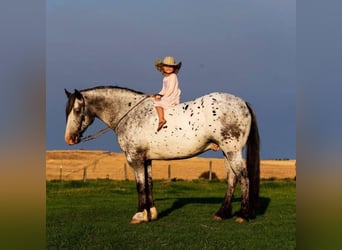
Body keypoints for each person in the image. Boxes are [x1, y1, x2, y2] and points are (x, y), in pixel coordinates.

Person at [151, 56, 182, 131]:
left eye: (171, 66)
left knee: (157, 103)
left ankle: (162, 119)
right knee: (152, 99)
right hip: (167, 95)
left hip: (171, 97)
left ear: (174, 68)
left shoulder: (173, 76)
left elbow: (171, 90)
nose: (168, 68)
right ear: (163, 67)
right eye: (166, 66)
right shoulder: (165, 78)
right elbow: (163, 90)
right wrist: (157, 95)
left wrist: (161, 98)